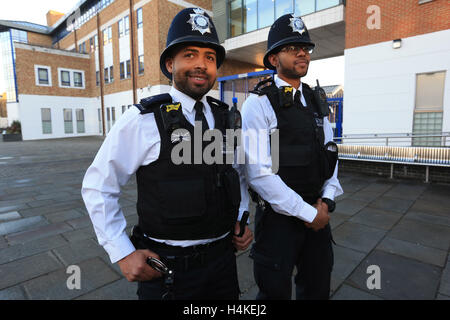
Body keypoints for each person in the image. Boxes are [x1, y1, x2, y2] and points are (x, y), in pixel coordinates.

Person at [81, 7, 253, 300]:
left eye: (209, 57)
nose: (201, 64)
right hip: (170, 273)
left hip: (223, 265)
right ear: (170, 64)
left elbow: (236, 173)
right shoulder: (143, 119)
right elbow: (98, 186)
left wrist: (242, 217)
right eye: (189, 55)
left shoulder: (226, 119)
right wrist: (122, 252)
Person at [241, 14, 343, 300]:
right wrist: (310, 213)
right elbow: (260, 174)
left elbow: (330, 153)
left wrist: (327, 199)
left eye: (305, 47)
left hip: (318, 216)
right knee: (274, 292)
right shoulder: (259, 103)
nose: (302, 52)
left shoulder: (314, 100)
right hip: (279, 223)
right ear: (273, 59)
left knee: (317, 287)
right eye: (292, 47)